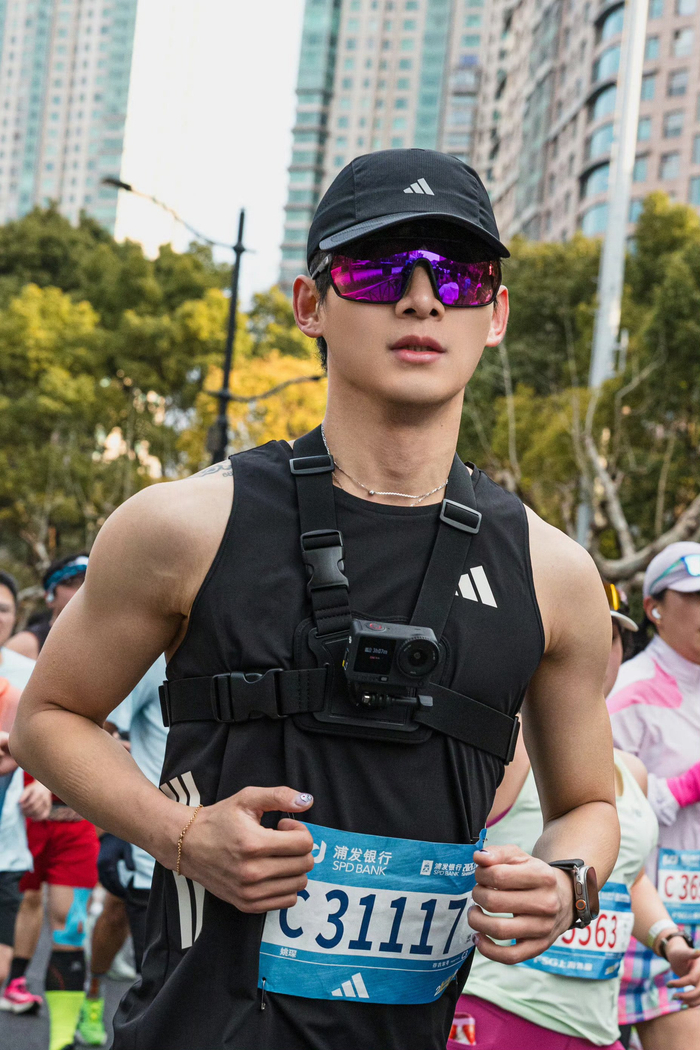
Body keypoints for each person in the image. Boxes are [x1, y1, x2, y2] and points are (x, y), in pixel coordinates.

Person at [11, 149, 620, 1050]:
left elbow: (589, 804)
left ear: (495, 314)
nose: (422, 300)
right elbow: (47, 718)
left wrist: (568, 883)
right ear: (310, 304)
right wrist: (183, 835)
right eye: (378, 269)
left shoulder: (554, 571)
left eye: (459, 275)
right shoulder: (186, 524)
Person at [456, 582, 700, 1049]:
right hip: (496, 1007)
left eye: (608, 636)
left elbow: (626, 876)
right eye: (580, 631)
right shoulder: (503, 741)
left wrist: (670, 941)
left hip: (594, 1027)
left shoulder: (631, 771)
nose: (594, 649)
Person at [606, 542, 700, 1050]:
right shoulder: (626, 690)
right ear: (654, 608)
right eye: (695, 596)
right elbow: (600, 806)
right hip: (647, 917)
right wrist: (687, 786)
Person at [5, 554, 99, 1050]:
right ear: (50, 592)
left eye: (89, 579)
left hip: (74, 816)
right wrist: (37, 776)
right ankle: (16, 980)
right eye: (72, 581)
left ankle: (61, 1037)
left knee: (70, 922)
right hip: (21, 813)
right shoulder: (24, 648)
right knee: (26, 902)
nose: (82, 588)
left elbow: (110, 728)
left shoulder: (113, 638)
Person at [75, 656, 168, 1047]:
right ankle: (93, 994)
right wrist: (109, 826)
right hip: (150, 844)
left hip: (221, 847)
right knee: (117, 919)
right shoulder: (157, 659)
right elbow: (97, 731)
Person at [0, 570, 50, 1016]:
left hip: (8, 845)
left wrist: (46, 788)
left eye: (3, 609)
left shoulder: (30, 676)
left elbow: (50, 744)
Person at [5, 554, 88, 661]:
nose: (83, 590)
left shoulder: (103, 640)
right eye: (72, 583)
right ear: (50, 597)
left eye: (90, 584)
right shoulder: (25, 644)